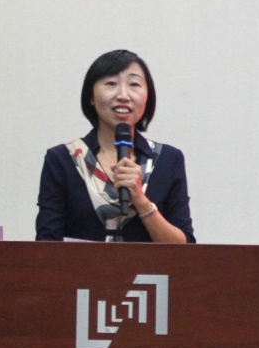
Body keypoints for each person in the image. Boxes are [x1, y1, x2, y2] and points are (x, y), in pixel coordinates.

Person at [35, 49, 195, 243]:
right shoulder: (62, 159)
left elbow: (185, 249)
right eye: (111, 84)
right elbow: (46, 243)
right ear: (91, 96)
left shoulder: (168, 159)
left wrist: (141, 201)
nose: (123, 95)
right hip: (81, 264)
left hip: (148, 265)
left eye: (134, 84)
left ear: (148, 96)